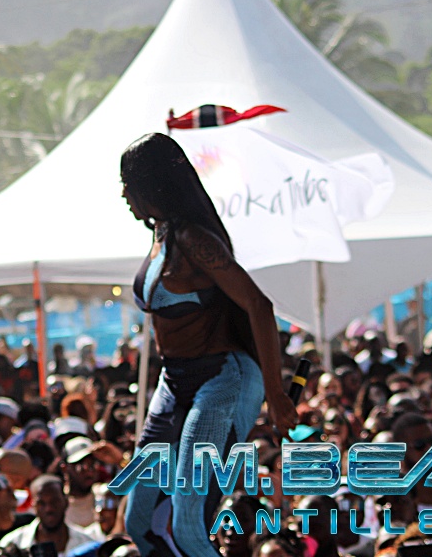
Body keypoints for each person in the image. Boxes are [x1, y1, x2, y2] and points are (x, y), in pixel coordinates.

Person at [118, 133, 299, 556]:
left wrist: (275, 392)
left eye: (128, 183)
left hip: (222, 380)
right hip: (174, 381)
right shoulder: (161, 232)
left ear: (152, 184)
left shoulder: (195, 240)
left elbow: (258, 305)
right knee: (141, 524)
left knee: (189, 525)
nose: (123, 194)